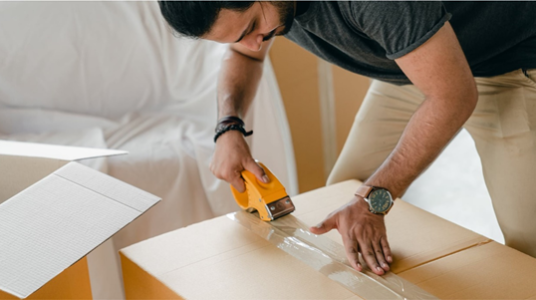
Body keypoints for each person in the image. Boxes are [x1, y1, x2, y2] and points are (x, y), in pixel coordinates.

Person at [158, 1, 536, 275]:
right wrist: (229, 127)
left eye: (254, 27)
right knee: (343, 202)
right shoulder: (259, 16)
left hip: (510, 64)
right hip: (412, 68)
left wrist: (374, 201)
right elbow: (246, 56)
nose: (255, 43)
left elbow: (455, 96)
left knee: (528, 246)